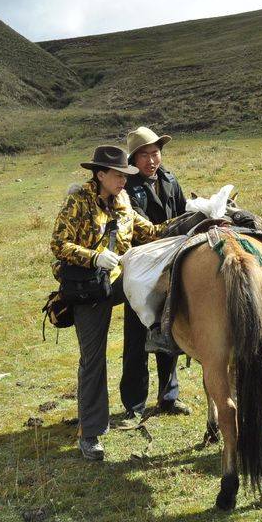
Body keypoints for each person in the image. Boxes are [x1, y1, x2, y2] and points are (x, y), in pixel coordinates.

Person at [50, 144, 166, 461]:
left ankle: (148, 385)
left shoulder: (124, 202)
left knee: (155, 298)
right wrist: (93, 258)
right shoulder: (78, 201)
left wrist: (196, 218)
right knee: (93, 358)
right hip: (88, 287)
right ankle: (90, 433)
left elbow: (152, 232)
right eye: (118, 175)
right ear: (100, 175)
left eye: (126, 175)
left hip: (117, 281)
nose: (124, 181)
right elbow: (59, 244)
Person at [119, 126, 192, 420]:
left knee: (169, 328)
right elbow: (141, 228)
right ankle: (134, 406)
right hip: (142, 269)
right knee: (136, 337)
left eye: (155, 153)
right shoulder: (126, 187)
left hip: (171, 265)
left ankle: (168, 397)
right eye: (144, 155)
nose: (152, 160)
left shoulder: (170, 179)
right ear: (134, 158)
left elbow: (184, 211)